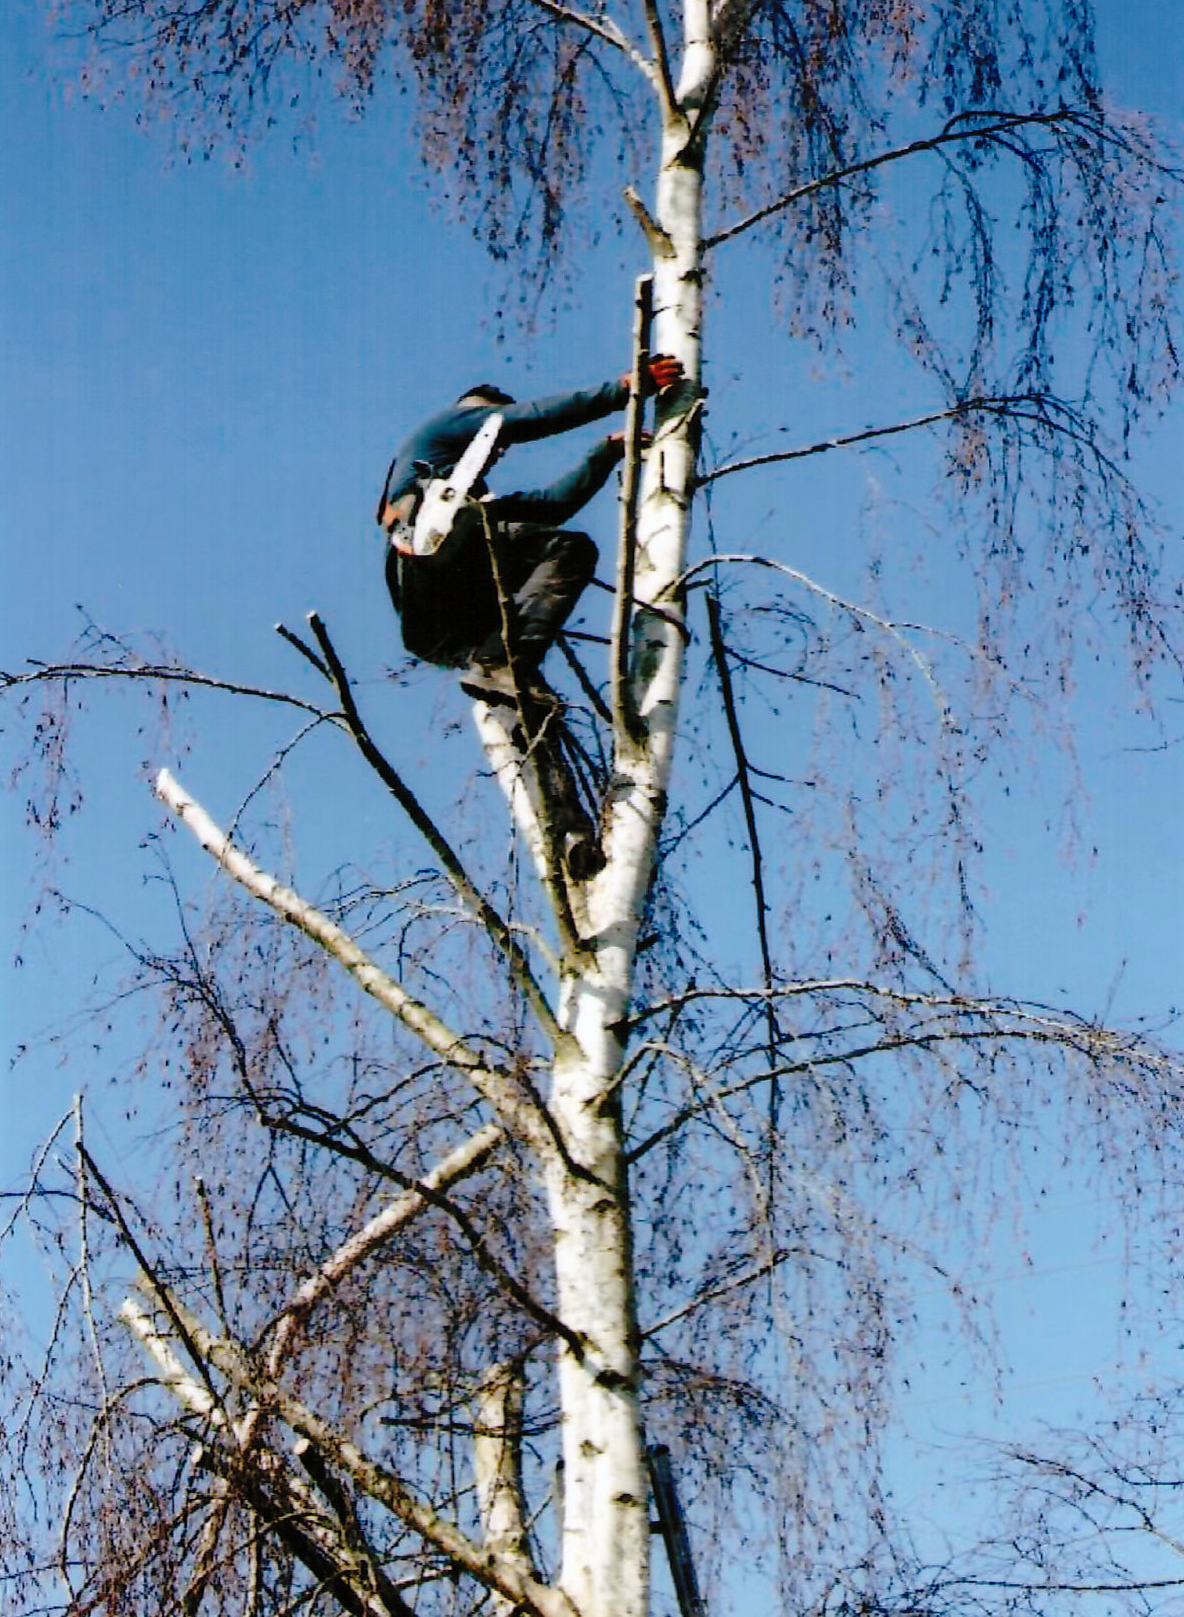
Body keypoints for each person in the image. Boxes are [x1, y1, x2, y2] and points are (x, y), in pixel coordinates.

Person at [377, 357, 682, 705]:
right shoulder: (448, 428)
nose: (500, 452)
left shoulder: (462, 502)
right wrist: (623, 390)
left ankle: (511, 694)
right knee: (567, 549)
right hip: (432, 552)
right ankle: (501, 663)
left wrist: (606, 453)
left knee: (519, 687)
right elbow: (530, 418)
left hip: (434, 625)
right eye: (498, 442)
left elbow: (547, 508)